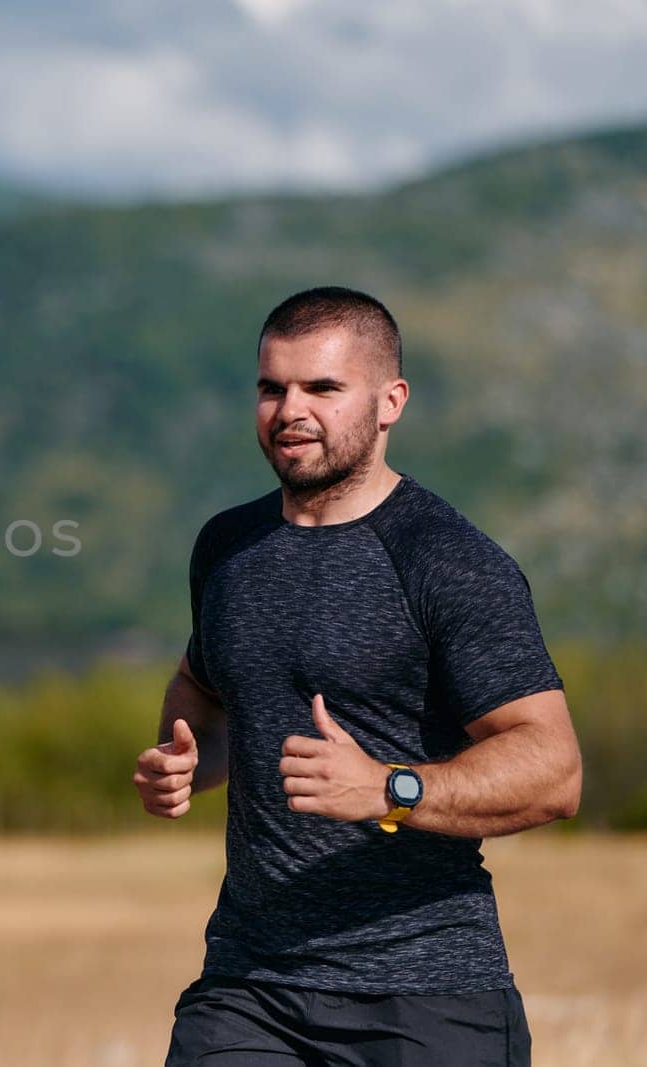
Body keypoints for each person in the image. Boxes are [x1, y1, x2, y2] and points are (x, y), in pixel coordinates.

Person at [132, 287, 582, 1065]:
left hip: (428, 994)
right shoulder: (228, 548)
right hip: (250, 983)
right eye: (272, 387)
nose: (289, 409)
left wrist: (388, 788)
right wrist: (188, 762)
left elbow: (554, 770)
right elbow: (207, 688)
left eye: (322, 388)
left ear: (389, 401)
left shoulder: (447, 560)